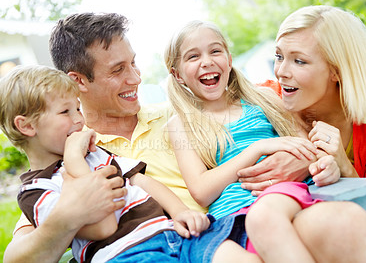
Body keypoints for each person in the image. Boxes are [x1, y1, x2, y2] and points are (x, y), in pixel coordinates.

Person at [2, 12, 366, 262]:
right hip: (197, 241)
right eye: (119, 70)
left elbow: (292, 114)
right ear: (78, 81)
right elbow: (22, 252)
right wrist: (67, 216)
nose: (136, 78)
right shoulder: (77, 152)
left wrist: (300, 156)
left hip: (232, 232)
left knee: (348, 223)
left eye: (134, 63)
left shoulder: (181, 114)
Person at [164, 19, 366, 262]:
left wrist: (326, 167)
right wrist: (258, 148)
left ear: (229, 59)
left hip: (283, 194)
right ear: (178, 75)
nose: (207, 61)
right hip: (233, 218)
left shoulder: (263, 98)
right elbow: (202, 191)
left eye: (215, 51)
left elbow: (306, 148)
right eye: (193, 57)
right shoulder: (181, 124)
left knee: (272, 216)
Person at [1, 65, 260, 263]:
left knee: (234, 254)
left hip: (170, 233)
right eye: (65, 112)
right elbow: (104, 227)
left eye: (76, 109)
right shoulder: (37, 190)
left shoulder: (97, 154)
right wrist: (73, 161)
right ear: (26, 126)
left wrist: (180, 212)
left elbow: (141, 180)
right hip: (127, 252)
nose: (79, 120)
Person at [259, 5, 366, 262]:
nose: (281, 71)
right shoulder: (263, 102)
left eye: (299, 60)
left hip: (361, 228)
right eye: (279, 57)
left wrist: (344, 167)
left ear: (336, 70)